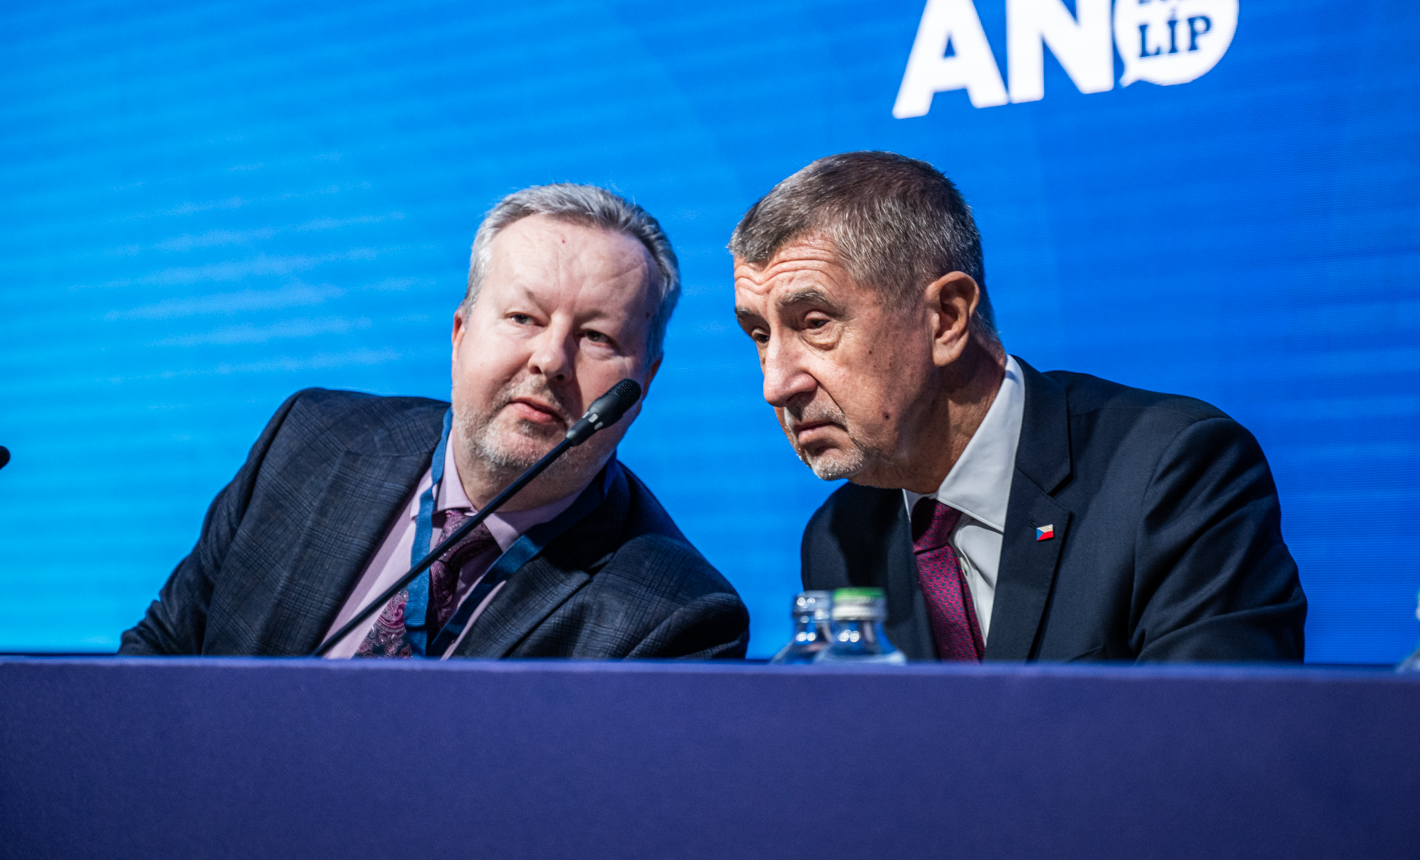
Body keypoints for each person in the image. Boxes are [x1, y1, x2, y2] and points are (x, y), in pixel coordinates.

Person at [122, 184, 749, 659]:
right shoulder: (307, 441)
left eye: (596, 337)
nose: (551, 360)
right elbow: (157, 659)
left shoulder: (675, 617)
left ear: (644, 384)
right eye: (523, 318)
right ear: (459, 333)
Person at [730, 152, 1305, 662]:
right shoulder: (838, 537)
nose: (776, 385)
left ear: (947, 318)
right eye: (760, 335)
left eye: (815, 323)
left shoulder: (1173, 474)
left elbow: (1212, 739)